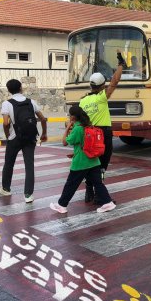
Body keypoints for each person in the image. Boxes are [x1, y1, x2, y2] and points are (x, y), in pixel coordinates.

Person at [50, 106, 116, 214]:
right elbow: (84, 145)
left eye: (70, 115)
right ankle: (108, 202)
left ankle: (61, 205)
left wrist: (68, 127)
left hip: (81, 162)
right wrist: (75, 153)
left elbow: (65, 142)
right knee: (98, 183)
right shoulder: (88, 126)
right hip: (93, 160)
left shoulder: (77, 128)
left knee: (71, 184)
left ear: (73, 117)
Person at [79, 51, 125, 204]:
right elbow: (115, 81)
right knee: (102, 166)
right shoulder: (102, 97)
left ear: (91, 85)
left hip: (88, 134)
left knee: (92, 163)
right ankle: (100, 196)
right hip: (102, 135)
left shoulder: (83, 101)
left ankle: (89, 192)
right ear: (102, 86)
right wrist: (121, 65)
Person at [0, 79, 47, 203]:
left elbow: (5, 123)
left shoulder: (7, 104)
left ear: (9, 90)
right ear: (21, 88)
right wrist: (44, 133)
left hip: (14, 138)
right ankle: (28, 195)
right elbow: (43, 119)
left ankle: (6, 188)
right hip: (30, 137)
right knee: (29, 165)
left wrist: (7, 136)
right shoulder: (31, 102)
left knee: (9, 163)